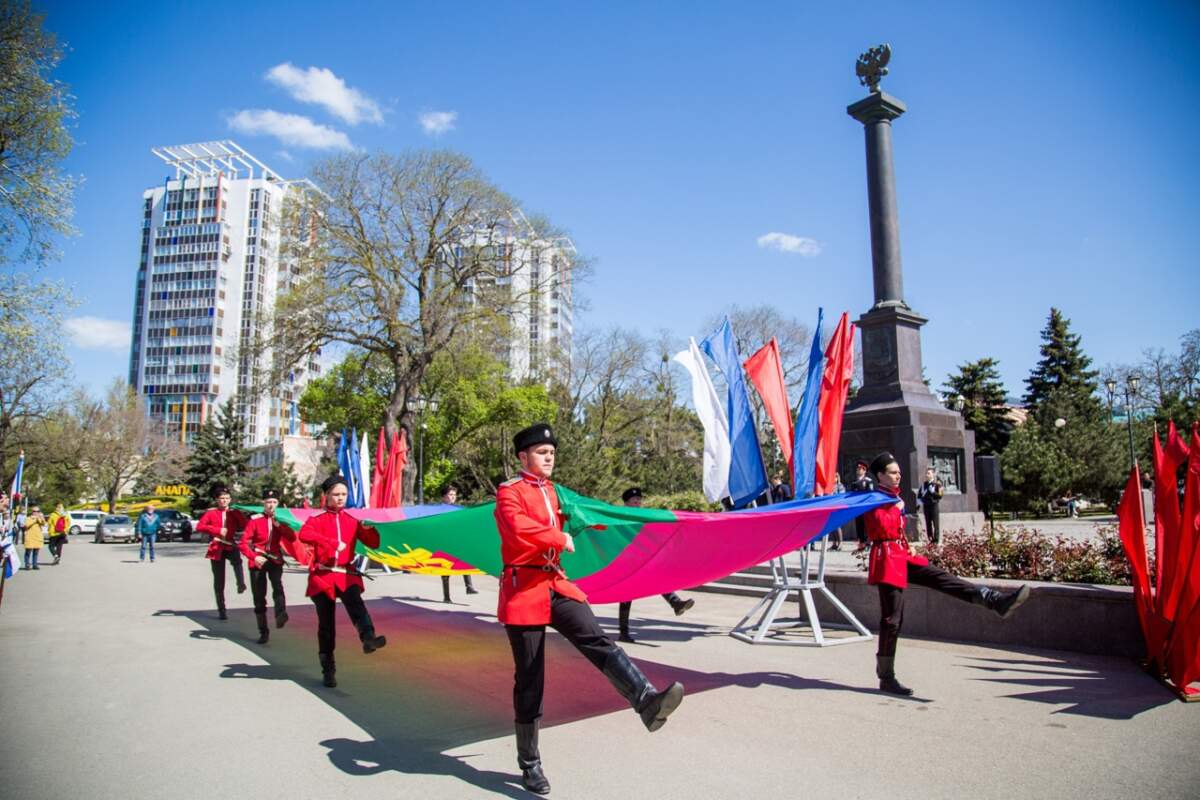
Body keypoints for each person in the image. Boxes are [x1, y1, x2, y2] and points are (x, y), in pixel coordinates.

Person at [498, 424, 683, 795]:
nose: (549, 457)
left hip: (555, 583)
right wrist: (557, 536)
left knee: (596, 638)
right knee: (530, 678)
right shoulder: (510, 493)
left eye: (551, 451)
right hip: (524, 590)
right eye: (540, 452)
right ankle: (529, 764)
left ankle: (645, 700)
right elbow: (517, 527)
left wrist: (630, 523)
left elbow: (588, 512)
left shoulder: (555, 492)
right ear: (523, 457)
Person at [864, 452, 1030, 696]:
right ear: (880, 476)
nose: (898, 475)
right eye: (893, 472)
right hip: (887, 559)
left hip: (901, 555)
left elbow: (896, 529)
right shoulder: (874, 498)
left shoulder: (891, 497)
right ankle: (886, 677)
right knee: (892, 620)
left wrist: (907, 540)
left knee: (942, 578)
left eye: (899, 471)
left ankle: (994, 600)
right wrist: (895, 508)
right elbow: (880, 528)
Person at [298, 475, 387, 688]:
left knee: (356, 604)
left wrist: (369, 529)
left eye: (344, 494)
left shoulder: (352, 520)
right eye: (336, 494)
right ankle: (328, 668)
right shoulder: (316, 520)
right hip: (324, 576)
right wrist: (330, 542)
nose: (340, 498)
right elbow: (304, 534)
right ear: (326, 496)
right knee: (326, 625)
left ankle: (368, 638)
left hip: (346, 574)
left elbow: (374, 543)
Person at [616, 486, 695, 643]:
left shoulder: (645, 516)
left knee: (656, 577)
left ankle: (675, 603)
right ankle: (623, 632)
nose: (638, 503)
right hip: (625, 561)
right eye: (634, 501)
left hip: (640, 559)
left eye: (639, 500)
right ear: (626, 503)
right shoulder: (620, 516)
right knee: (626, 596)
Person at [240, 488, 296, 644]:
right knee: (259, 596)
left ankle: (280, 613)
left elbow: (291, 537)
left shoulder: (280, 519)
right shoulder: (255, 520)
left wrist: (281, 526)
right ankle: (263, 631)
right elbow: (244, 543)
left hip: (275, 559)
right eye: (268, 502)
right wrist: (254, 556)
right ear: (263, 503)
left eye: (274, 502)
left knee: (278, 586)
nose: (271, 505)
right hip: (258, 560)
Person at [195, 487, 249, 620]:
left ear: (230, 500)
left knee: (237, 561)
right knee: (219, 579)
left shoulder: (234, 512)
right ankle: (222, 609)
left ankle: (240, 583)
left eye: (227, 498)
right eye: (222, 498)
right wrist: (217, 529)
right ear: (217, 500)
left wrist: (239, 516)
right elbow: (200, 527)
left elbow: (245, 525)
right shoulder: (211, 513)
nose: (224, 501)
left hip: (230, 544)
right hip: (217, 546)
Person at [439, 485, 478, 602]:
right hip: (444, 542)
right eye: (450, 495)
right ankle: (446, 596)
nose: (453, 497)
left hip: (456, 542)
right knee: (445, 569)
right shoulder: (438, 510)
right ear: (443, 497)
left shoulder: (458, 509)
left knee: (464, 561)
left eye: (454, 495)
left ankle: (469, 587)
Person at [850, 460, 874, 549]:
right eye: (858, 468)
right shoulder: (854, 482)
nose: (858, 470)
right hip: (857, 508)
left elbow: (870, 494)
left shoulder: (868, 481)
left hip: (865, 508)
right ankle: (861, 542)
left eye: (860, 468)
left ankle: (868, 543)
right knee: (859, 525)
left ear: (864, 470)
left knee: (866, 525)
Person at [916, 467, 944, 544]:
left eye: (929, 473)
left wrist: (933, 492)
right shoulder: (923, 485)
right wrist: (918, 504)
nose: (927, 475)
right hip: (926, 506)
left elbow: (940, 495)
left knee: (935, 523)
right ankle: (930, 539)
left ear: (933, 474)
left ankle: (936, 540)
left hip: (934, 505)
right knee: (928, 523)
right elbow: (919, 495)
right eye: (926, 473)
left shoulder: (938, 483)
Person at [22, 506, 46, 570]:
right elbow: (27, 525)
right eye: (35, 511)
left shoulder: (39, 518)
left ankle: (34, 565)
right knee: (28, 552)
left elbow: (43, 524)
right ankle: (27, 565)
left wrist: (42, 518)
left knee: (36, 552)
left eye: (38, 511)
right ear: (32, 512)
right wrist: (35, 520)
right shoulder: (28, 518)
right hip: (30, 537)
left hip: (37, 537)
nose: (36, 513)